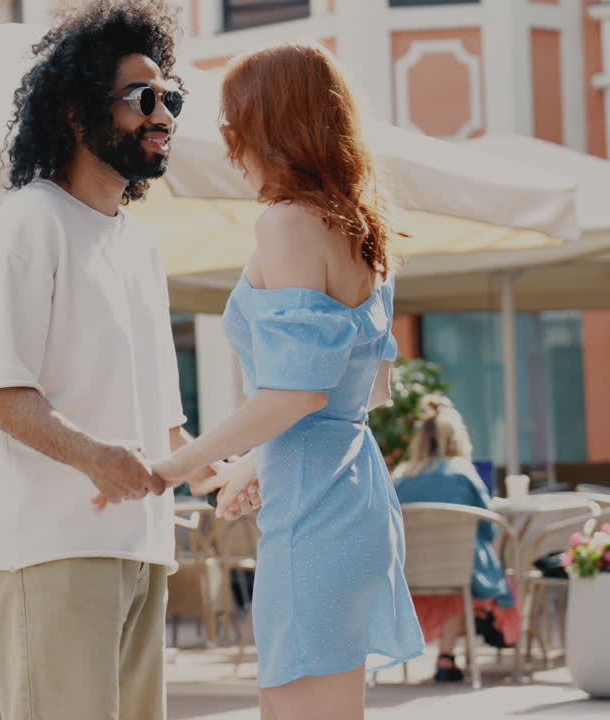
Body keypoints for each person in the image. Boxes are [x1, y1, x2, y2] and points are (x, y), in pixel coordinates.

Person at [0, 3, 259, 718]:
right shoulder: (27, 224)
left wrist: (212, 474)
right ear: (75, 112)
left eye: (171, 99)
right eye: (141, 99)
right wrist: (95, 455)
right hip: (49, 548)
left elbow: (160, 418)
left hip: (142, 547)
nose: (163, 115)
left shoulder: (139, 244)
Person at [148, 41, 424, 719]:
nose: (229, 145)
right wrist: (256, 464)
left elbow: (299, 391)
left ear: (269, 127)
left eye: (234, 124)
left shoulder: (286, 223)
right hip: (352, 494)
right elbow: (362, 394)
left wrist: (179, 464)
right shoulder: (362, 230)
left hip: (316, 510)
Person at [393, 394, 520, 682]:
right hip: (460, 571)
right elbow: (488, 530)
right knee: (474, 568)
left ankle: (459, 639)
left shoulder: (400, 476)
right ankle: (464, 638)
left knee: (455, 574)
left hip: (410, 571)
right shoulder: (464, 473)